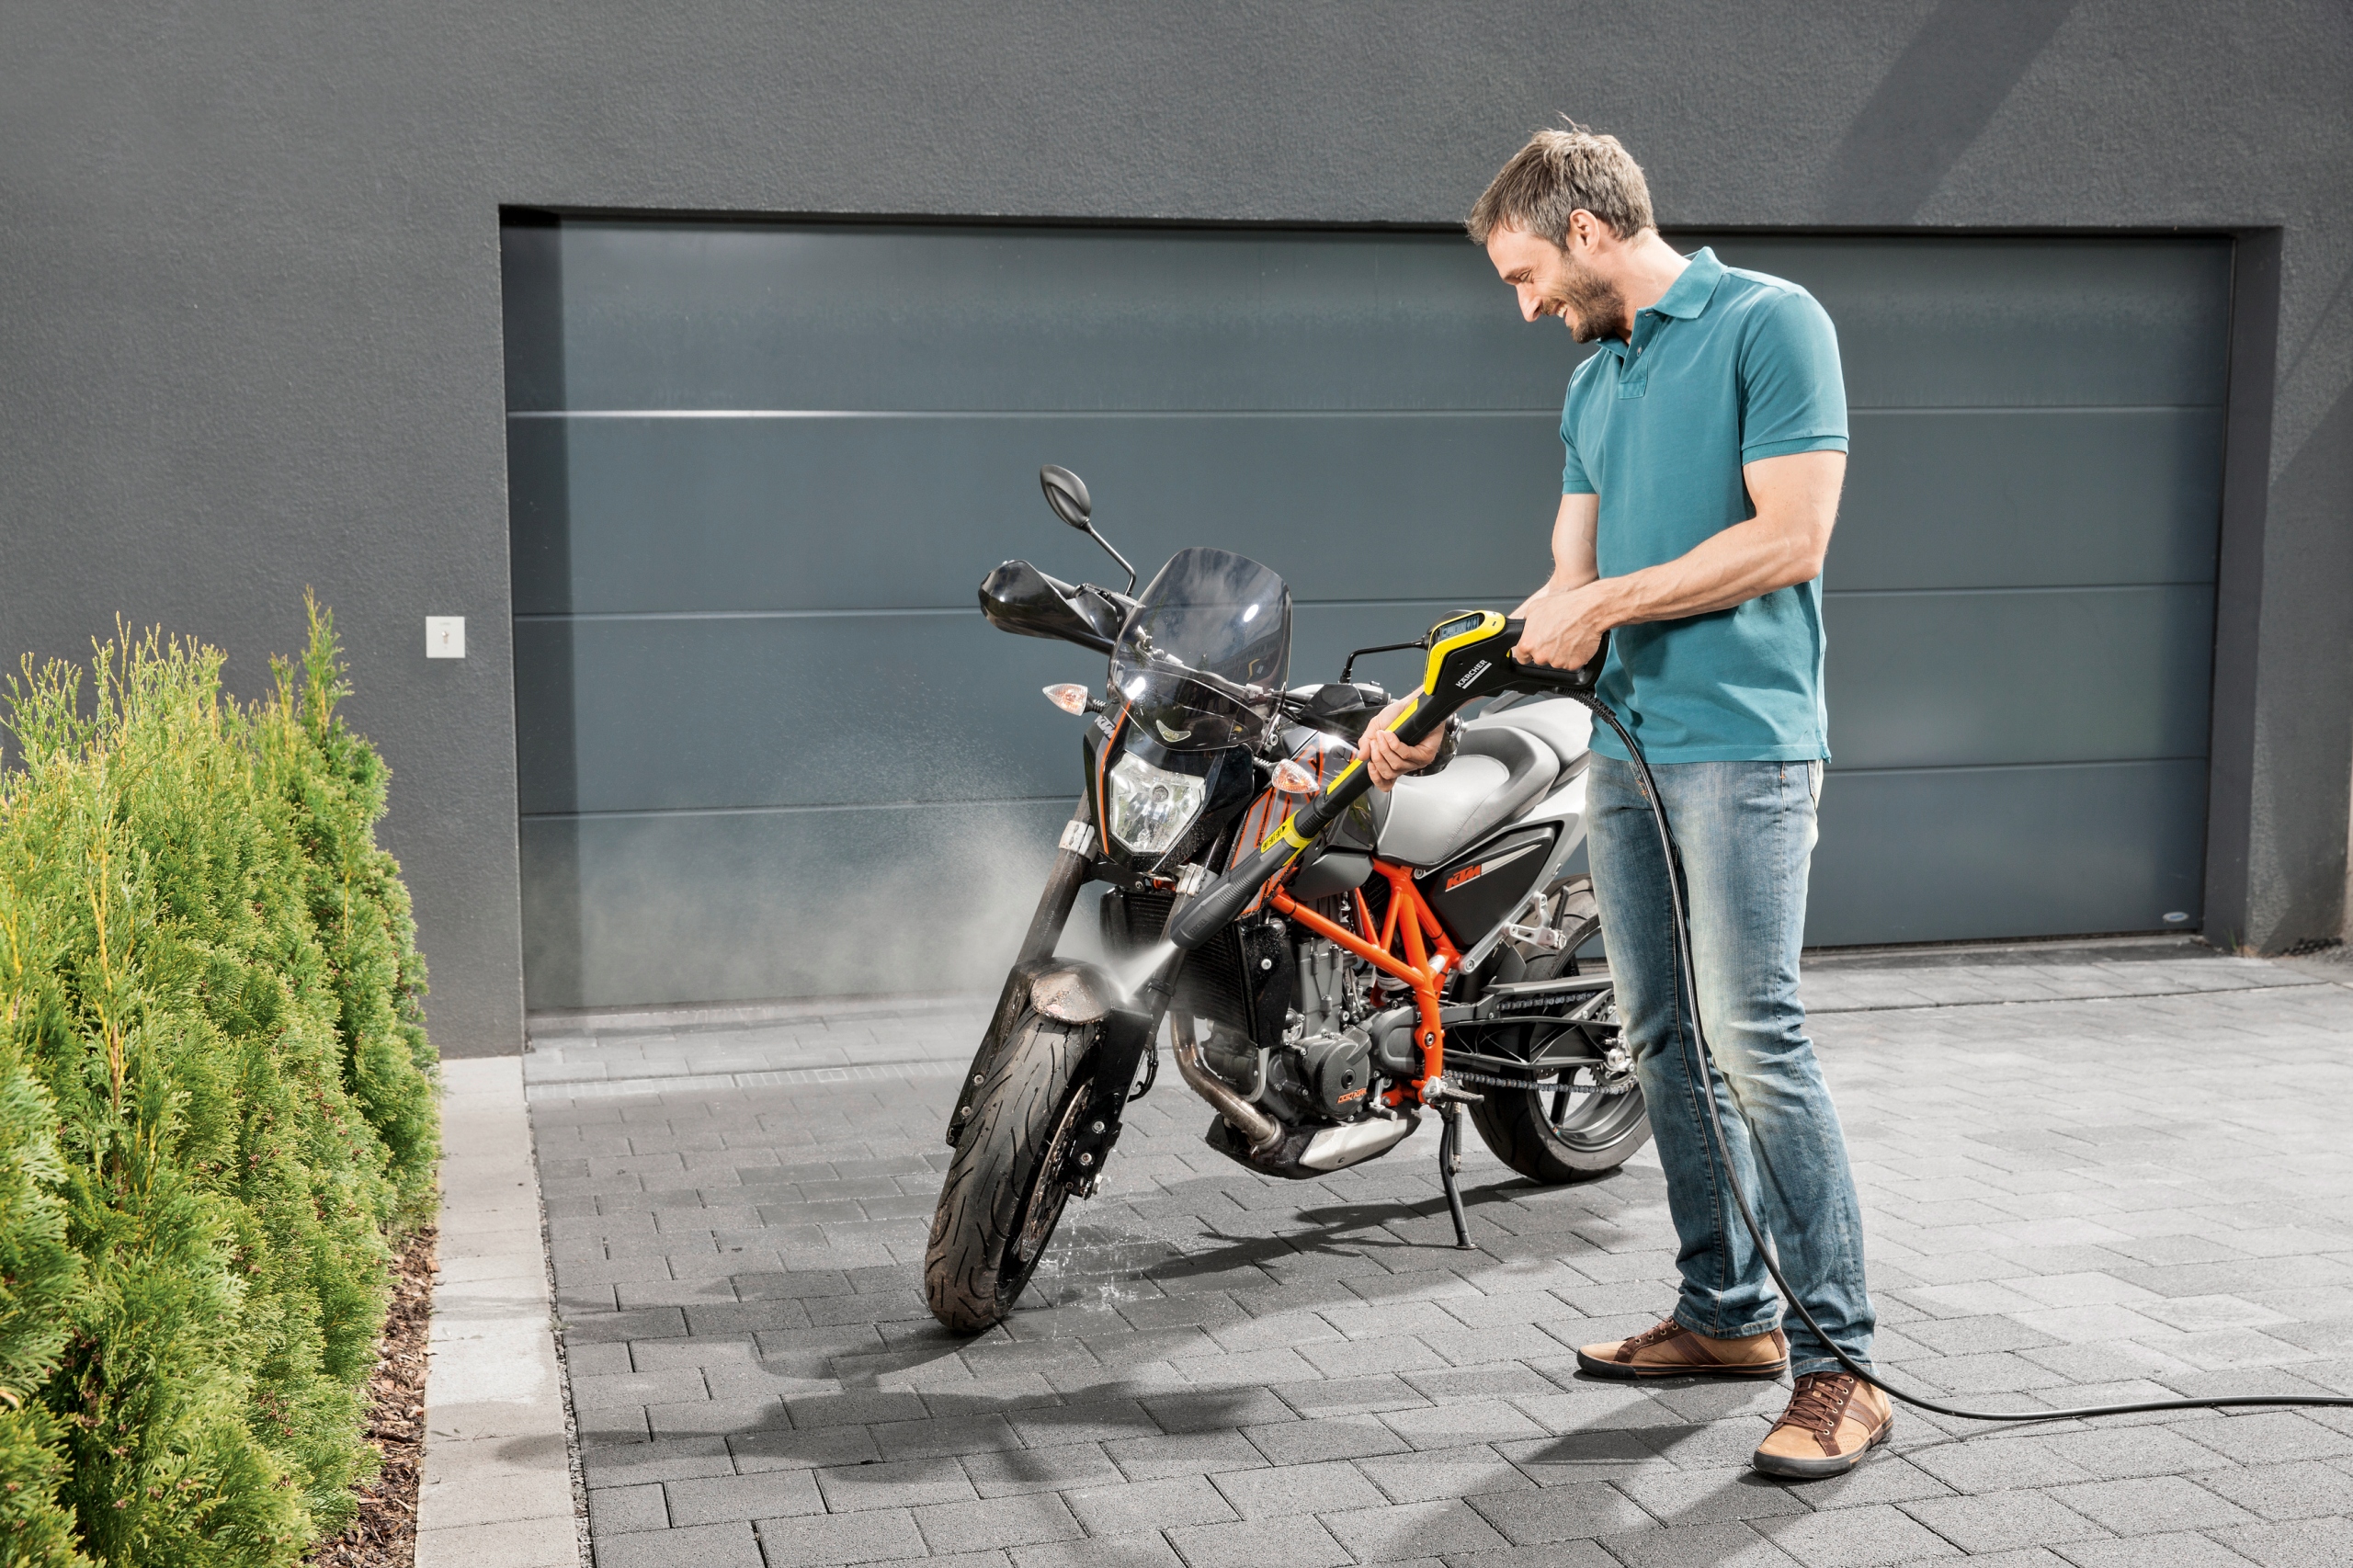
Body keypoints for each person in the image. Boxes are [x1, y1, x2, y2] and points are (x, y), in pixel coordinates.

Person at [1359, 125, 1887, 1479]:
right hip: (1628, 748)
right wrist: (1431, 706)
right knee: (1658, 1039)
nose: (1526, 305)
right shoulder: (1596, 383)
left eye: (1527, 274)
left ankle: (1841, 1367)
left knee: (1755, 1038)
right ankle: (1726, 1315)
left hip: (1746, 746)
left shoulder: (1773, 324)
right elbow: (1563, 587)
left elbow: (1792, 536)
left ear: (1586, 232)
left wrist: (1609, 603)